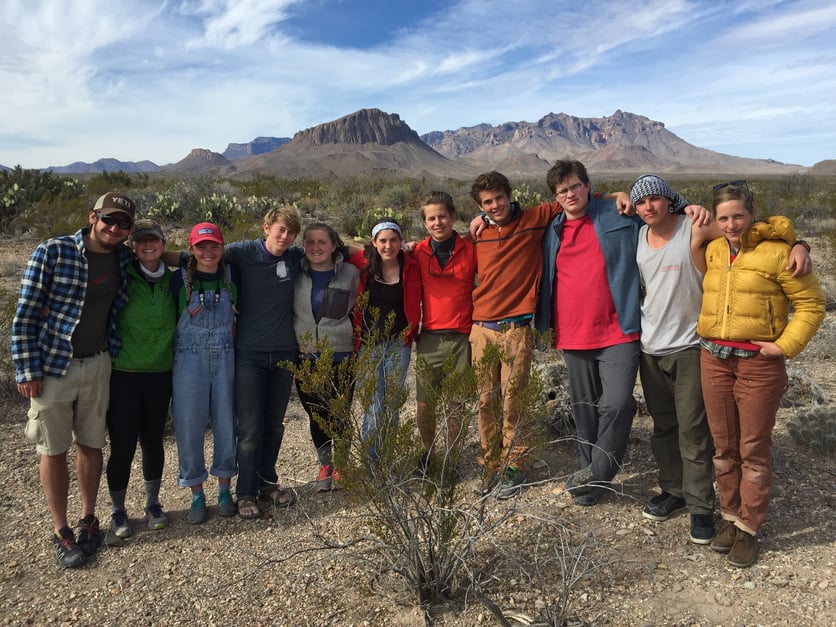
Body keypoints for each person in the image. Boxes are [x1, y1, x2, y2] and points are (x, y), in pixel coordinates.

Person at [632, 175, 813, 544]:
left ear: (671, 200)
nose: (648, 206)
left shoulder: (702, 231)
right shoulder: (653, 237)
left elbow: (755, 235)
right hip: (676, 350)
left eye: (655, 198)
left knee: (717, 436)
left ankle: (719, 514)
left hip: (709, 350)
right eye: (640, 202)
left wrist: (798, 242)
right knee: (689, 433)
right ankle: (697, 502)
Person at [472, 170, 629, 499]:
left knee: (515, 400)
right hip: (481, 328)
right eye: (487, 202)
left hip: (516, 328)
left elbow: (578, 197)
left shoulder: (536, 217)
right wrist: (477, 220)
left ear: (510, 194)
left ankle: (516, 465)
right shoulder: (478, 232)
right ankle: (490, 464)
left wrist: (616, 195)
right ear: (480, 206)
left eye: (500, 197)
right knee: (486, 401)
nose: (495, 205)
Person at [697, 181, 824, 568]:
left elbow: (811, 304)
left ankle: (750, 528)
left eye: (738, 215)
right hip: (714, 359)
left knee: (753, 448)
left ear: (752, 211)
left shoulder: (779, 254)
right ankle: (730, 518)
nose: (731, 224)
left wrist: (783, 347)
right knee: (724, 447)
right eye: (723, 218)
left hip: (758, 364)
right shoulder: (716, 250)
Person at [12, 192, 134, 568]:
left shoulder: (124, 257)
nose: (114, 228)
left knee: (91, 443)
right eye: (108, 220)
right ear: (92, 216)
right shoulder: (53, 252)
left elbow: (159, 255)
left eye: (123, 224)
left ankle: (88, 519)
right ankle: (61, 530)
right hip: (53, 365)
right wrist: (27, 369)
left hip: (98, 362)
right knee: (53, 448)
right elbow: (25, 314)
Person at [535, 160, 657, 506]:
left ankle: (597, 471)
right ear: (555, 197)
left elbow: (662, 217)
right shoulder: (552, 229)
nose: (570, 194)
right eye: (562, 191)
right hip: (573, 332)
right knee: (585, 409)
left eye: (575, 186)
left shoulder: (619, 214)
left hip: (618, 327)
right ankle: (592, 481)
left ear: (588, 186)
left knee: (617, 403)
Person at [105, 219, 177, 543]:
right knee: (121, 444)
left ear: (163, 244)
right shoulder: (122, 277)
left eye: (155, 240)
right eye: (142, 241)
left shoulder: (176, 282)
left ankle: (152, 503)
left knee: (152, 440)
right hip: (123, 373)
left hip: (160, 373)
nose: (149, 246)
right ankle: (118, 509)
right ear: (133, 247)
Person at [170, 222, 239, 524]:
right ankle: (196, 491)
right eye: (201, 247)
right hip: (188, 359)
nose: (208, 252)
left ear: (223, 248)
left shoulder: (232, 278)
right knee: (189, 425)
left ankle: (225, 487)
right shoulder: (177, 281)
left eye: (214, 246)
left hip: (225, 356)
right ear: (191, 249)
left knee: (226, 421)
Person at [411, 191, 477, 475]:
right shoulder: (416, 251)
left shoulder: (471, 248)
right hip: (429, 337)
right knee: (425, 403)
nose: (438, 222)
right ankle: (428, 454)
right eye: (431, 218)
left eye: (442, 216)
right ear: (425, 223)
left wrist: (484, 217)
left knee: (456, 404)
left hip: (462, 336)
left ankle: (452, 457)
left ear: (452, 217)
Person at [293, 222, 360, 493]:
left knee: (341, 412)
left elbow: (382, 254)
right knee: (316, 413)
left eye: (323, 242)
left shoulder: (352, 273)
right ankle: (325, 465)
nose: (316, 247)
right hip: (305, 353)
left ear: (335, 246)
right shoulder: (295, 273)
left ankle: (342, 465)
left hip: (341, 352)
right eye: (310, 242)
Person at [349, 218, 421, 463]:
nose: (388, 245)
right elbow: (338, 247)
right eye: (383, 240)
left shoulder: (410, 263)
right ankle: (371, 462)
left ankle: (387, 459)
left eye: (393, 240)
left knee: (392, 403)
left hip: (399, 344)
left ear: (401, 241)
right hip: (368, 346)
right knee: (374, 405)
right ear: (374, 242)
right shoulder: (362, 263)